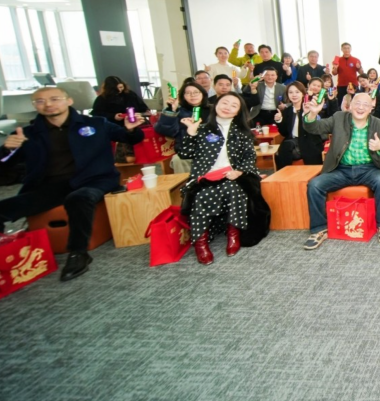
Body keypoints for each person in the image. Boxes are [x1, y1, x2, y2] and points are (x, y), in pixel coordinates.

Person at [0, 87, 146, 281]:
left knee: (79, 198)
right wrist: (6, 149)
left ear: (68, 101)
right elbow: (5, 167)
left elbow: (130, 138)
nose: (48, 104)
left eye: (54, 99)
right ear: (34, 105)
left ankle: (78, 252)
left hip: (96, 179)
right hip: (49, 186)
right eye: (40, 101)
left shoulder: (96, 124)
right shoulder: (27, 134)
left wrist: (131, 129)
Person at [177, 92, 267, 265]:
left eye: (234, 105)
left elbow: (250, 157)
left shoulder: (242, 132)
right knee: (202, 196)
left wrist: (239, 171)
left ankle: (234, 234)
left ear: (238, 111)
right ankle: (200, 243)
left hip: (231, 175)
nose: (228, 107)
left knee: (234, 190)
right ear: (216, 105)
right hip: (205, 177)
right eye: (225, 103)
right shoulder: (203, 129)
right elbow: (184, 153)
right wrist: (191, 132)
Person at [301, 92, 380, 248]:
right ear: (350, 106)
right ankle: (319, 229)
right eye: (357, 103)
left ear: (371, 108)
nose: (361, 107)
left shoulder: (379, 124)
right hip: (341, 169)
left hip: (368, 169)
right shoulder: (338, 118)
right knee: (314, 185)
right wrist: (312, 114)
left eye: (365, 105)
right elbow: (314, 127)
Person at [155, 81, 208, 174]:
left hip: (210, 149)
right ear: (183, 96)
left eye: (196, 92)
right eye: (188, 93)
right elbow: (166, 130)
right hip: (186, 151)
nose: (192, 95)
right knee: (178, 160)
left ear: (203, 94)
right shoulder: (179, 112)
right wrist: (172, 110)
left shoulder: (213, 110)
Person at [274, 81, 325, 169]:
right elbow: (284, 133)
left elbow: (315, 128)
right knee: (285, 148)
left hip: (309, 142)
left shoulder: (311, 107)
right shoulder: (287, 111)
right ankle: (284, 174)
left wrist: (308, 114)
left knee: (287, 148)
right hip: (293, 143)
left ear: (303, 94)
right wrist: (279, 120)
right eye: (290, 92)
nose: (294, 95)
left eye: (297, 92)